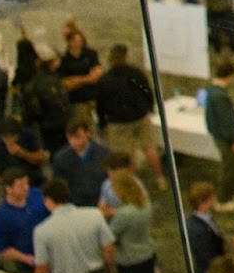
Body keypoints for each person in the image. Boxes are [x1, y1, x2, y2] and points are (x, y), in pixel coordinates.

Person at [33, 177, 115, 273]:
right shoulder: (94, 215)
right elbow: (108, 249)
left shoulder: (42, 231)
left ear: (48, 201)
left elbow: (42, 270)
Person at [96, 44, 164, 188]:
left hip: (119, 122)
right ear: (126, 56)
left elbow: (100, 103)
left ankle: (132, 185)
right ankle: (160, 178)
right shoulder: (136, 73)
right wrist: (149, 108)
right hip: (140, 116)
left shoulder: (106, 79)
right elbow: (147, 91)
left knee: (127, 155)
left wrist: (102, 122)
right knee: (150, 148)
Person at [108, 171, 163, 273]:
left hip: (130, 261)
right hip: (147, 253)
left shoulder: (124, 214)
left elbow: (111, 236)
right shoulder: (145, 203)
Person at [0, 166, 49, 273]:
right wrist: (27, 259)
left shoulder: (37, 194)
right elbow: (2, 248)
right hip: (29, 264)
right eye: (21, 186)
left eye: (27, 184)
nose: (26, 188)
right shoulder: (1, 216)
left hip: (50, 255)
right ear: (8, 188)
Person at [203, 60, 234, 207]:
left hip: (220, 135)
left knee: (232, 166)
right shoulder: (220, 96)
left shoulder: (212, 91)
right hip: (226, 138)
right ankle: (223, 199)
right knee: (229, 168)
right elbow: (226, 120)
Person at [51, 115, 112, 208]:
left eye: (77, 137)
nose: (73, 142)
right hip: (75, 206)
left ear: (88, 133)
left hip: (101, 203)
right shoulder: (61, 158)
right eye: (70, 138)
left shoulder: (105, 154)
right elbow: (59, 188)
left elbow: (111, 180)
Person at [56, 28, 102, 126]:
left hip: (94, 96)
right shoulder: (65, 60)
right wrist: (87, 78)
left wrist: (77, 80)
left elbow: (96, 75)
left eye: (79, 41)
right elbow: (66, 83)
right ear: (69, 42)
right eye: (75, 41)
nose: (78, 43)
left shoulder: (90, 54)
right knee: (85, 124)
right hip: (78, 100)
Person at [185, 181, 227, 273]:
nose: (214, 199)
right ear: (204, 202)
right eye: (212, 197)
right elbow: (206, 259)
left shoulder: (205, 218)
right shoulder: (197, 230)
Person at [0, 118, 47, 187]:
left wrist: (22, 153)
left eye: (13, 136)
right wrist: (6, 181)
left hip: (36, 182)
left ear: (19, 134)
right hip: (13, 187)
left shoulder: (27, 136)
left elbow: (41, 159)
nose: (10, 140)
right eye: (6, 137)